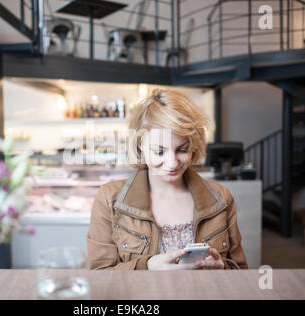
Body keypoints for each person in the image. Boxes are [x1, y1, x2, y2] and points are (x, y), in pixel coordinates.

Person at [87, 89, 248, 270]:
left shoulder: (221, 198)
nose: (172, 163)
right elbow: (99, 275)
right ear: (140, 145)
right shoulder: (110, 199)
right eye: (159, 151)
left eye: (182, 149)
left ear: (193, 146)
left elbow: (240, 270)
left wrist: (222, 267)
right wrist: (146, 267)